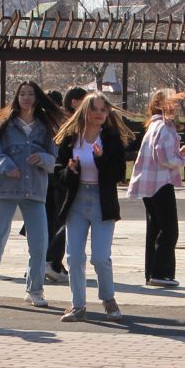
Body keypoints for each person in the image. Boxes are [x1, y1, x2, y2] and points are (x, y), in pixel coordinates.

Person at [0, 80, 59, 307]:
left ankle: (35, 290)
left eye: (31, 94)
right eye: (22, 94)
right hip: (6, 191)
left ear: (37, 98)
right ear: (17, 98)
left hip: (35, 192)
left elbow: (54, 159)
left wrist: (43, 159)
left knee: (39, 244)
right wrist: (6, 165)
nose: (26, 98)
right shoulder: (5, 126)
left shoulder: (45, 128)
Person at [52, 92, 131, 322]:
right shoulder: (71, 138)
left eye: (103, 110)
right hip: (76, 202)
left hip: (101, 201)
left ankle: (108, 298)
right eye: (94, 109)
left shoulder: (111, 138)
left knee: (100, 257)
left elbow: (118, 174)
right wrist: (70, 170)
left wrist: (101, 158)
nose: (99, 114)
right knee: (74, 257)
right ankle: (78, 305)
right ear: (84, 111)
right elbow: (59, 172)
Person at [129, 87, 185, 288]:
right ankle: (160, 273)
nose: (175, 105)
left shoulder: (153, 126)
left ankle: (152, 273)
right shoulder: (165, 127)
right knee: (169, 230)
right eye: (172, 101)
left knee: (155, 228)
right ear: (160, 104)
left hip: (148, 183)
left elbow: (161, 153)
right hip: (160, 183)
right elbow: (165, 159)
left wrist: (178, 154)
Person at [45, 86, 86, 280]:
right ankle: (50, 261)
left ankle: (53, 262)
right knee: (65, 219)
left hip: (55, 173)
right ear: (74, 102)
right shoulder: (70, 121)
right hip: (62, 174)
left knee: (57, 219)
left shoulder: (65, 120)